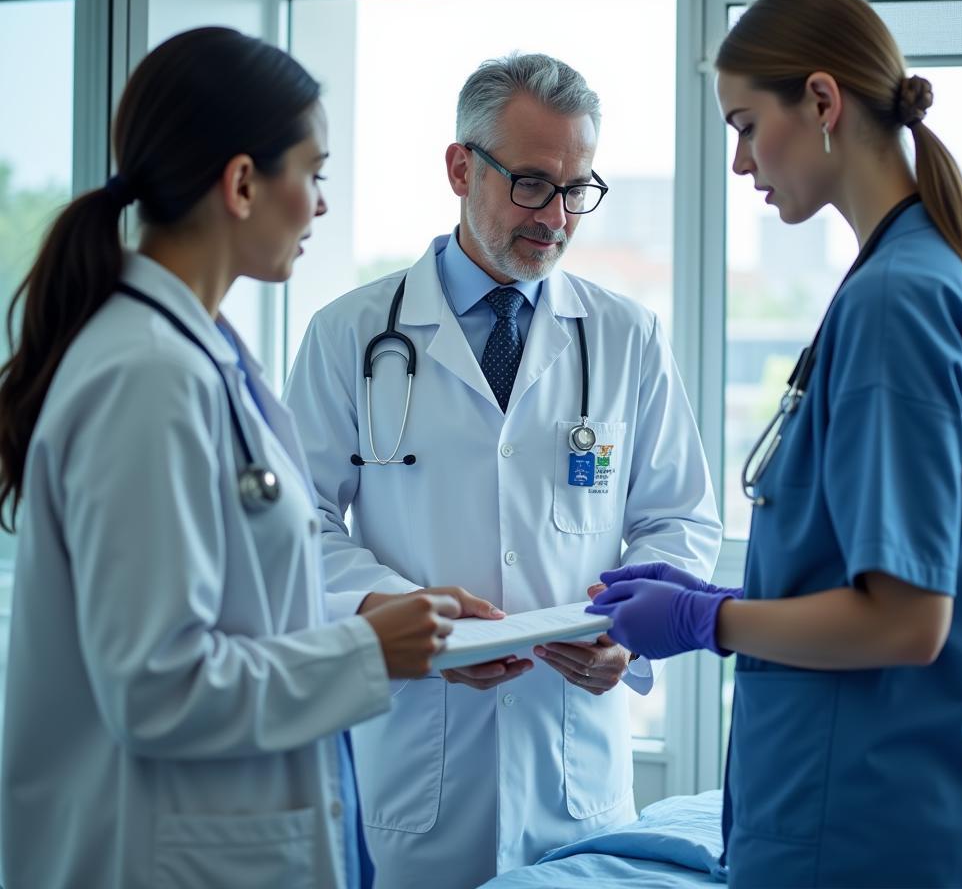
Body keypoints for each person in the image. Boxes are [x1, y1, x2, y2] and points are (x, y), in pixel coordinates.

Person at [0, 26, 470, 889]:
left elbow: (242, 618)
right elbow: (155, 686)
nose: (323, 206)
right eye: (315, 173)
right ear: (245, 183)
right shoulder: (146, 375)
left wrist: (389, 631)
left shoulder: (200, 356)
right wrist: (367, 650)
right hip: (151, 855)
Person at [588, 0, 962, 888]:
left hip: (860, 826)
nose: (740, 162)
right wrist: (728, 591)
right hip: (864, 810)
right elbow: (859, 569)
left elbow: (907, 619)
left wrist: (712, 620)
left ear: (822, 101)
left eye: (745, 125)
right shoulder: (904, 280)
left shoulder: (898, 302)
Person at [283, 52, 722, 888]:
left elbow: (680, 518)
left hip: (576, 773)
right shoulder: (350, 333)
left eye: (577, 189)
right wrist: (390, 608)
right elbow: (297, 525)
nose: (556, 216)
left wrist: (629, 632)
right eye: (531, 182)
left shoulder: (625, 335)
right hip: (413, 764)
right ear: (460, 167)